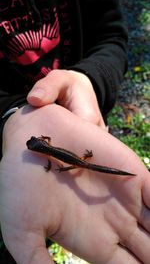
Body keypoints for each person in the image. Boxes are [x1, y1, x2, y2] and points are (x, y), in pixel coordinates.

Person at [0, 104, 150, 264]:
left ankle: (103, 166)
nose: (32, 146)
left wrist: (61, 170)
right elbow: (48, 141)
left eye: (33, 144)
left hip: (76, 162)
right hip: (76, 159)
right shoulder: (48, 147)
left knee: (77, 164)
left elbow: (50, 163)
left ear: (38, 150)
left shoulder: (47, 154)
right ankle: (90, 159)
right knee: (79, 163)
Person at [0, 0, 128, 146]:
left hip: (86, 113)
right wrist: (11, 119)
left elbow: (111, 36)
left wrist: (89, 80)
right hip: (12, 130)